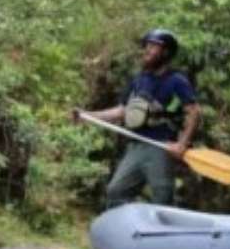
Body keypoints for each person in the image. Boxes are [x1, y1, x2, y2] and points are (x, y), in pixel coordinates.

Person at [74, 28, 201, 207]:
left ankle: (163, 232)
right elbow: (121, 111)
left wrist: (182, 144)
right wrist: (88, 115)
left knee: (162, 197)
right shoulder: (139, 79)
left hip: (161, 147)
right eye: (147, 45)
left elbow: (193, 111)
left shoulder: (176, 80)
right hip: (137, 145)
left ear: (166, 52)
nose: (147, 50)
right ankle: (124, 232)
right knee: (116, 192)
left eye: (154, 46)